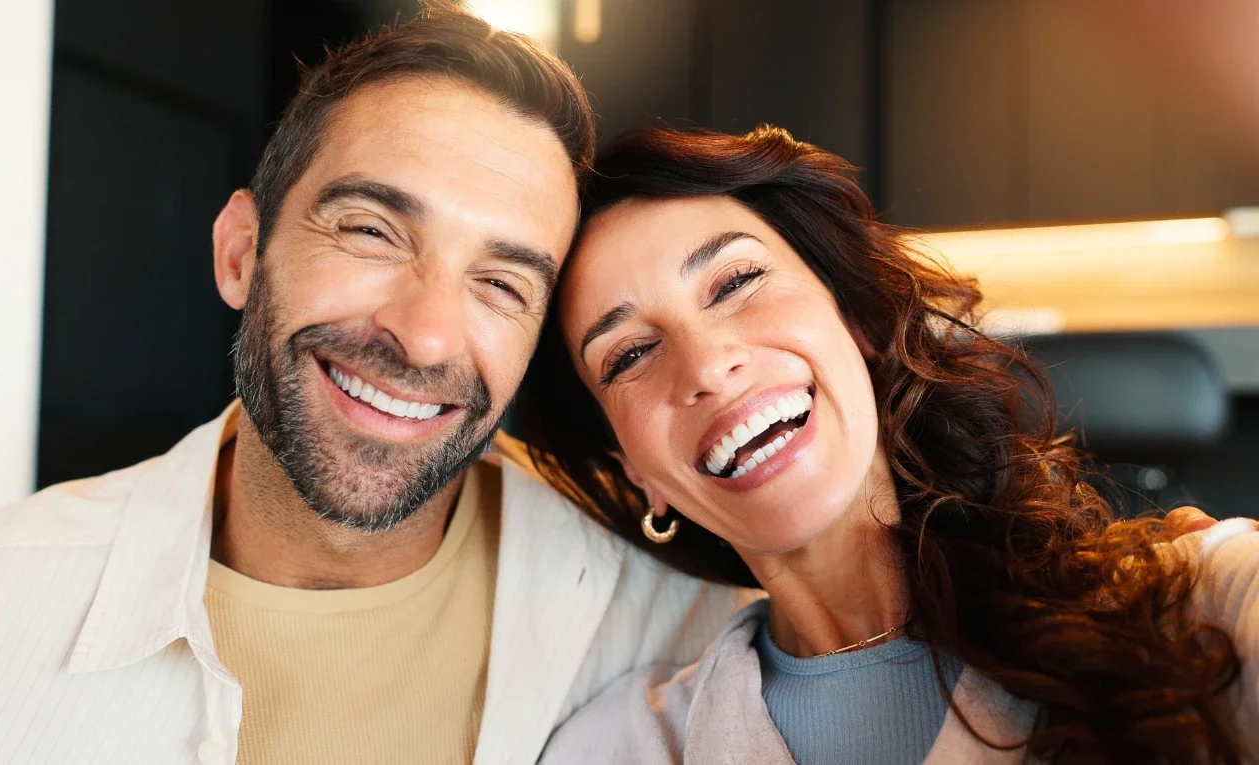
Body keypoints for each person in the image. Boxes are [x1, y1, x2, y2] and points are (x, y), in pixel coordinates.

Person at [0, 8, 745, 765]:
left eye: (501, 284)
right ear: (240, 252)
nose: (424, 333)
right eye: (373, 231)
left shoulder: (685, 634)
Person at [519, 125, 1259, 764]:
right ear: (636, 472)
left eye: (737, 280)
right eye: (628, 355)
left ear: (860, 326)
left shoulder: (1198, 605)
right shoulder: (618, 747)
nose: (708, 365)